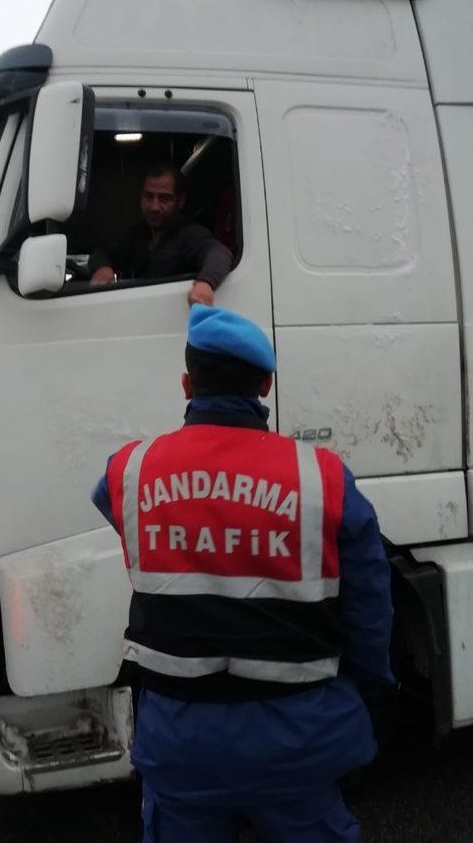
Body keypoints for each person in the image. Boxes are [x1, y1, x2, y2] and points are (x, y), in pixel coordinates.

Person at [91, 305, 394, 842]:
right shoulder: (322, 478)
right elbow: (370, 608)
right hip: (299, 739)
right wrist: (362, 696)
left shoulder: (129, 471)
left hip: (180, 743)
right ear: (266, 383)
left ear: (187, 384)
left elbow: (109, 502)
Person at [88, 164, 233, 306]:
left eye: (164, 198)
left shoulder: (191, 236)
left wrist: (205, 284)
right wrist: (103, 267)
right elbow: (102, 252)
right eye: (149, 196)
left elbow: (220, 254)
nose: (154, 207)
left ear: (180, 201)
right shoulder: (138, 235)